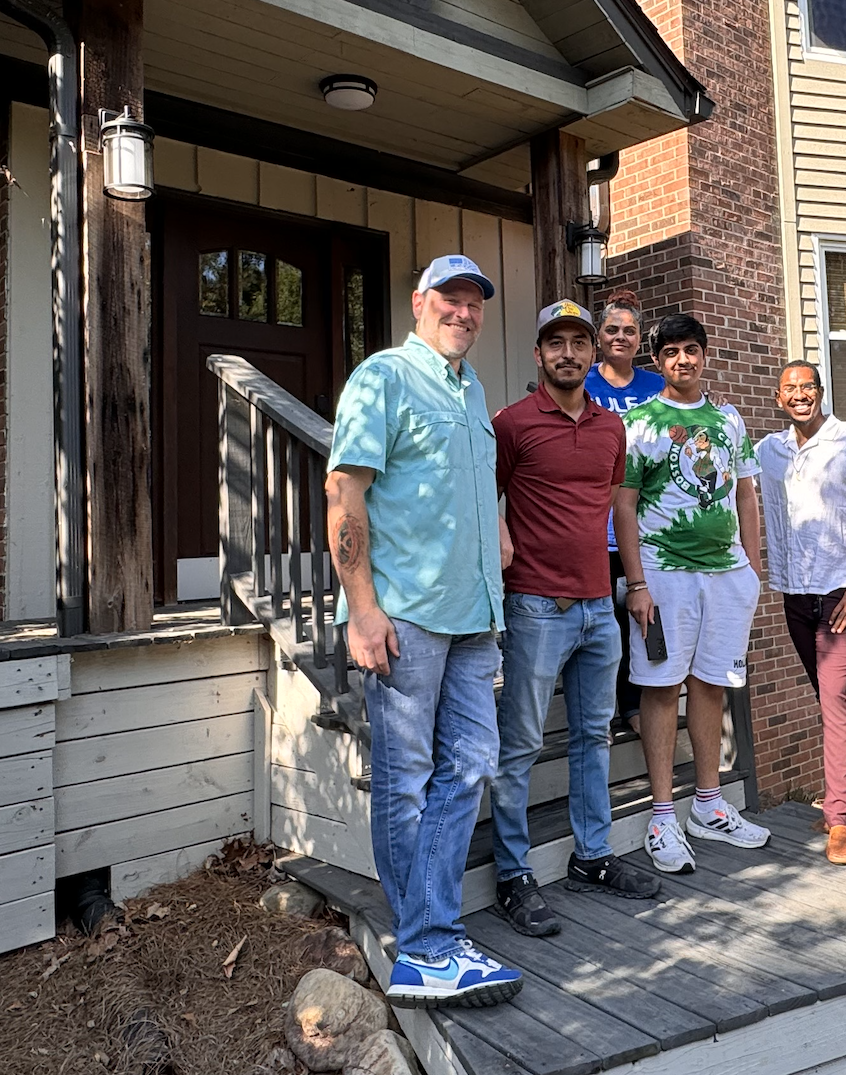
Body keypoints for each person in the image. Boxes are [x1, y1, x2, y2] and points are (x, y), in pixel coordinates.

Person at [325, 254, 523, 1006]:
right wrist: (364, 608)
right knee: (406, 780)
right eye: (450, 297)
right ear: (418, 302)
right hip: (405, 614)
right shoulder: (382, 377)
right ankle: (429, 946)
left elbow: (461, 480)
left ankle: (431, 933)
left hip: (475, 614)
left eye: (474, 301)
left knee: (471, 764)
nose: (464, 312)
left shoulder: (472, 388)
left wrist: (495, 532)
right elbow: (346, 490)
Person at [489, 300, 661, 936]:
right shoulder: (511, 424)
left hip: (598, 606)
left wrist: (634, 584)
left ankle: (592, 857)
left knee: (593, 737)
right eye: (555, 343)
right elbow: (488, 500)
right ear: (539, 355)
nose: (568, 353)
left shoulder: (610, 429)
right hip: (535, 605)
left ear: (594, 354)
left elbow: (621, 512)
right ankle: (513, 873)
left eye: (579, 343)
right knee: (523, 744)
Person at [614, 313, 769, 874]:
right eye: (672, 352)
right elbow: (623, 505)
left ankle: (708, 803)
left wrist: (752, 568)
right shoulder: (640, 423)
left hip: (726, 576)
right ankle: (661, 814)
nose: (683, 360)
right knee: (661, 687)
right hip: (664, 575)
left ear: (706, 355)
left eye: (691, 350)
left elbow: (747, 496)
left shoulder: (728, 421)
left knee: (711, 685)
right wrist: (636, 583)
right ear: (658, 363)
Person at [756, 361, 846, 866]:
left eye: (808, 387)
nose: (800, 395)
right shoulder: (767, 451)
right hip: (795, 595)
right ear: (779, 398)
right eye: (790, 389)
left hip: (841, 595)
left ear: (821, 392)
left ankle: (841, 818)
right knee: (829, 698)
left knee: (834, 696)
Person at [584, 290, 664, 731]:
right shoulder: (583, 382)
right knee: (607, 621)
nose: (620, 336)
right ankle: (606, 706)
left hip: (649, 526)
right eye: (612, 329)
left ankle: (638, 707)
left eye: (629, 330)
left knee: (644, 616)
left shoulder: (657, 387)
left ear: (639, 340)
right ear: (599, 337)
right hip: (597, 527)